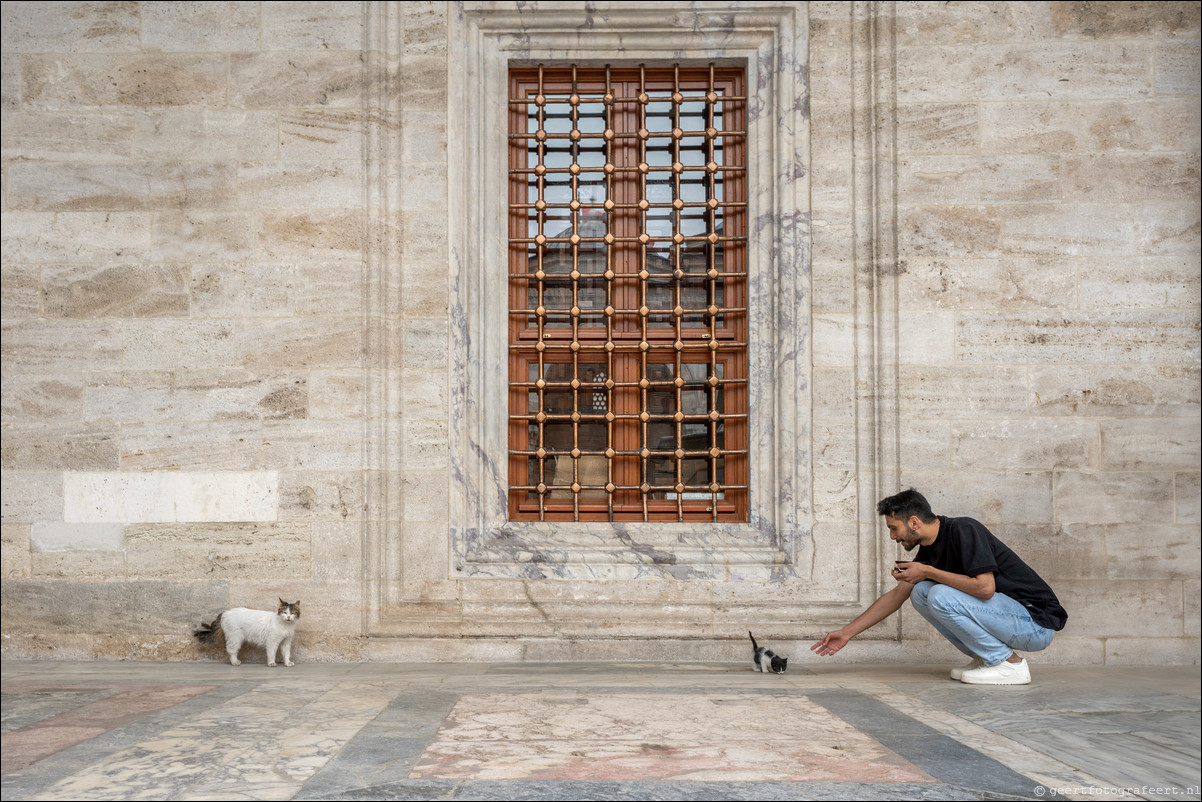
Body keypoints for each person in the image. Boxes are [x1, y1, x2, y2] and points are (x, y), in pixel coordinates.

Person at [811, 488, 1067, 684]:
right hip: (1009, 621)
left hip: (1035, 624)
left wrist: (929, 572)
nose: (892, 537)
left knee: (939, 593)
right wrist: (847, 633)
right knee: (921, 593)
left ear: (914, 522)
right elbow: (896, 596)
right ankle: (986, 658)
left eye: (893, 528)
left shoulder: (964, 529)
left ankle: (1009, 664)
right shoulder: (928, 551)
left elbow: (985, 588)